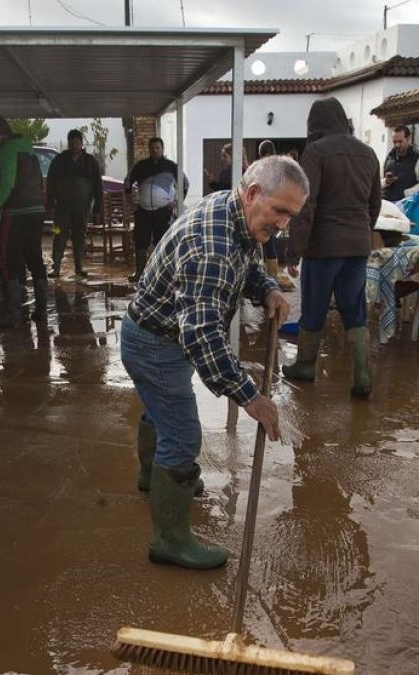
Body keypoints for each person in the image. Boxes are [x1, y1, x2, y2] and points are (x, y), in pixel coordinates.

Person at [121, 156, 306, 570]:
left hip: (160, 332)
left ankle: (155, 477)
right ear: (253, 193)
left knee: (162, 410)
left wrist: (268, 288)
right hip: (155, 343)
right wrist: (250, 398)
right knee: (183, 434)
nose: (282, 225)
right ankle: (169, 540)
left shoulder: (235, 211)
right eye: (279, 211)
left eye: (290, 216)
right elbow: (202, 335)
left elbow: (249, 263)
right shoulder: (212, 246)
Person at [282, 97, 380, 398]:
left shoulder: (316, 152)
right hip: (357, 245)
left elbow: (305, 205)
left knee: (314, 306)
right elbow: (374, 204)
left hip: (323, 247)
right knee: (354, 309)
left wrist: (294, 250)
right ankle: (362, 375)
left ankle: (306, 366)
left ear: (316, 125)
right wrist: (362, 233)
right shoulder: (368, 153)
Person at [0, 115, 47, 327]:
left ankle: (14, 314)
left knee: (10, 259)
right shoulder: (28, 149)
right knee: (34, 256)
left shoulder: (7, 150)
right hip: (36, 210)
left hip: (17, 211)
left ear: (0, 135)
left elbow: (7, 184)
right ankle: (41, 310)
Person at [125, 137, 187, 281]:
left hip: (163, 211)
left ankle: (162, 274)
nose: (155, 150)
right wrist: (129, 199)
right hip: (143, 211)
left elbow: (185, 183)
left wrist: (177, 202)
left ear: (162, 149)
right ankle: (139, 273)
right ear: (149, 149)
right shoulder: (140, 165)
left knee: (162, 242)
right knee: (140, 241)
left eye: (157, 148)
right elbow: (128, 181)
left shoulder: (171, 166)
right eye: (152, 148)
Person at [46, 129, 102, 279]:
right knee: (58, 234)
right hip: (61, 209)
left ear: (81, 143)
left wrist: (97, 208)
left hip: (83, 208)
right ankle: (56, 267)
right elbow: (50, 183)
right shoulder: (59, 160)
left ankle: (79, 267)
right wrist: (50, 204)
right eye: (71, 143)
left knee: (80, 236)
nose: (74, 146)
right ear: (68, 143)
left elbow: (98, 185)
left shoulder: (90, 161)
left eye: (77, 143)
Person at [382, 125, 419, 202]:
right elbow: (378, 181)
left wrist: (405, 193)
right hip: (386, 204)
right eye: (394, 142)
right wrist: (386, 181)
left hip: (407, 206)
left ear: (408, 139)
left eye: (400, 141)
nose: (397, 145)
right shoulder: (389, 158)